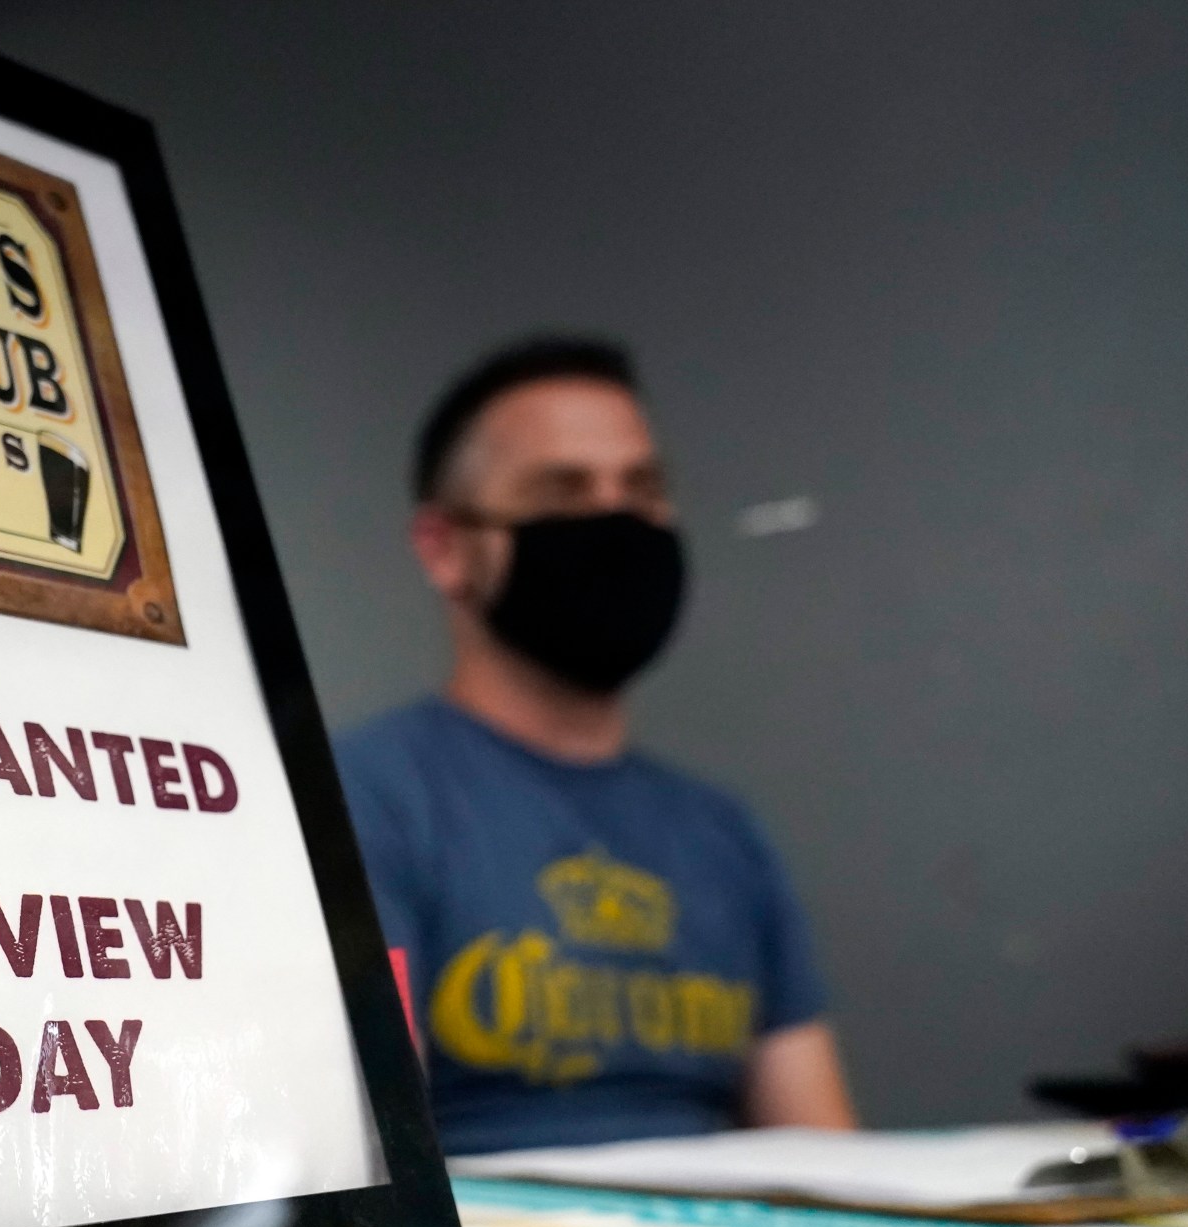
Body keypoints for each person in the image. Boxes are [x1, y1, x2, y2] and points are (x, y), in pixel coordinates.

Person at [337, 336, 856, 1155]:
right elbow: (376, 1153)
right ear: (445, 549)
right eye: (563, 492)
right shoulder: (362, 800)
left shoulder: (724, 833)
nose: (616, 520)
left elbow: (825, 1147)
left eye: (642, 489)